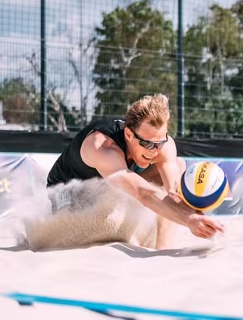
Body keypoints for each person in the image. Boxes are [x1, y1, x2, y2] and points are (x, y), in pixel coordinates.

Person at [46, 94, 225, 249]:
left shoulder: (162, 146)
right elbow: (142, 192)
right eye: (147, 144)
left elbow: (174, 193)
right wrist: (188, 220)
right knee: (69, 239)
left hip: (108, 185)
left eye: (159, 143)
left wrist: (195, 216)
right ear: (129, 135)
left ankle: (163, 250)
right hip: (70, 191)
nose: (154, 150)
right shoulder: (103, 148)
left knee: (177, 164)